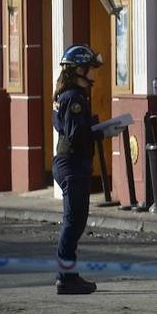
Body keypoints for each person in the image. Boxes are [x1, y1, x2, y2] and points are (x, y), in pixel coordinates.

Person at [52, 45, 104, 295]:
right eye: (89, 68)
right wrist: (100, 131)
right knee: (72, 222)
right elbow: (75, 134)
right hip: (71, 164)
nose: (92, 74)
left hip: (73, 163)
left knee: (77, 221)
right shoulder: (73, 98)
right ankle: (66, 277)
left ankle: (69, 274)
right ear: (78, 70)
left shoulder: (68, 95)